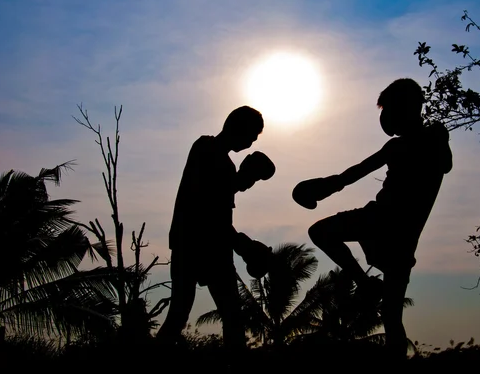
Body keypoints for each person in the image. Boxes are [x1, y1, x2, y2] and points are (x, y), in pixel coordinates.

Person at [292, 78, 453, 360]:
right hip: (399, 236)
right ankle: (365, 286)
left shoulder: (426, 140)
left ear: (405, 108)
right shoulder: (412, 143)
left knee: (321, 232)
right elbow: (354, 173)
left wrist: (323, 187)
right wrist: (325, 186)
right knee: (392, 318)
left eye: (390, 109)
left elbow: (443, 164)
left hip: (384, 223)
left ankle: (364, 284)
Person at [156, 105, 275, 360]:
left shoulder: (223, 161)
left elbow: (218, 211)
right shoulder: (206, 148)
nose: (253, 140)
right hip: (194, 244)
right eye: (253, 134)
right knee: (189, 314)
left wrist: (242, 244)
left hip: (208, 245)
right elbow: (206, 206)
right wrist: (243, 245)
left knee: (228, 315)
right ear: (238, 128)